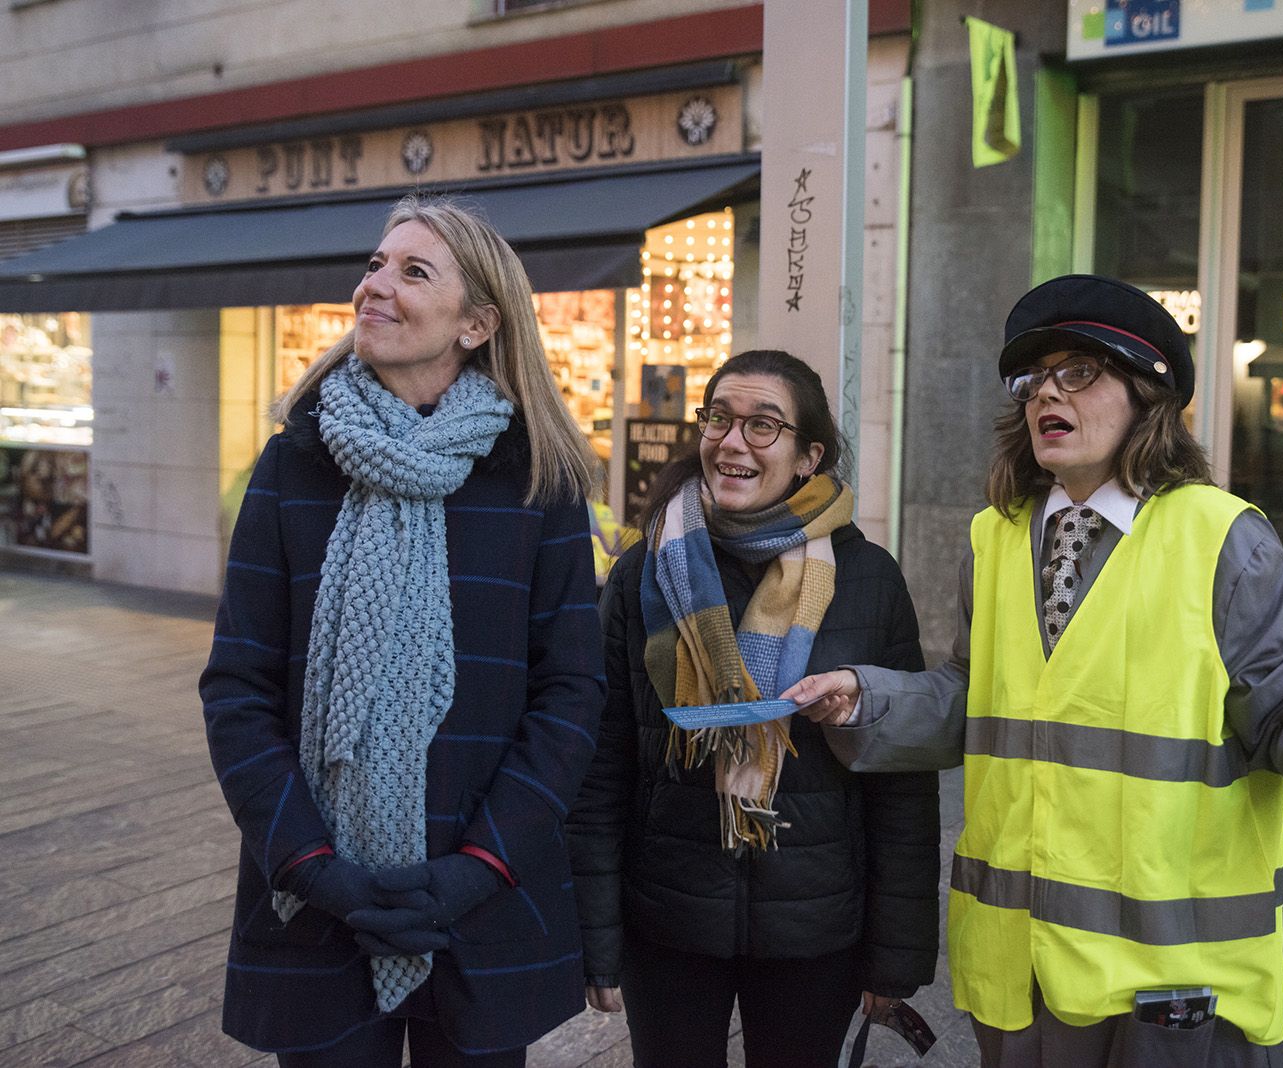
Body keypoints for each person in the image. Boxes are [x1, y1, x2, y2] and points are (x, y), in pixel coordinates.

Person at [783, 276, 1283, 1067]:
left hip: (1171, 982)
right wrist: (865, 699)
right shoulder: (994, 538)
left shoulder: (1219, 535)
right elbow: (970, 695)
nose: (1044, 395)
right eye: (1033, 380)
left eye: (1079, 373)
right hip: (1018, 969)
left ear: (1148, 397)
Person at [198, 194, 606, 1067]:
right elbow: (238, 687)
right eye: (376, 264)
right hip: (319, 901)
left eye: (413, 271)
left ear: (477, 323)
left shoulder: (541, 480)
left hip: (483, 902)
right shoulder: (293, 465)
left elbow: (570, 694)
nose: (374, 286)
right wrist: (315, 865)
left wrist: (478, 868)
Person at [566, 349, 941, 1068]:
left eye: (763, 426)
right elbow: (602, 763)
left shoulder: (867, 580)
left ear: (809, 455)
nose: (732, 442)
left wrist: (896, 955)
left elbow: (903, 782)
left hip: (816, 926)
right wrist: (595, 935)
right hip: (668, 918)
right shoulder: (648, 570)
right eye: (720, 419)